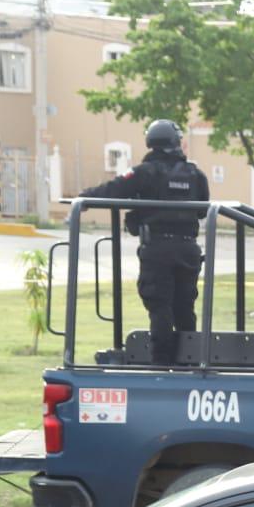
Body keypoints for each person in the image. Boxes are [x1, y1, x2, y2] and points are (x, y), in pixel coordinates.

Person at [79, 119, 210, 367]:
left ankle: (160, 366)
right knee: (185, 308)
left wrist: (84, 198)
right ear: (176, 141)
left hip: (158, 250)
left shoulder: (144, 173)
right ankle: (190, 364)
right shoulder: (195, 174)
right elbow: (202, 211)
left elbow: (113, 189)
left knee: (160, 308)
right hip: (188, 249)